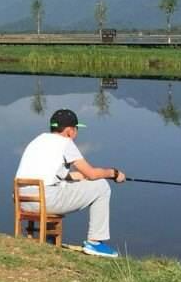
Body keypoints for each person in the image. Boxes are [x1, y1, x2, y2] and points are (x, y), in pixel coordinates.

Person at [15, 108, 125, 258]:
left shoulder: (38, 140)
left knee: (60, 186)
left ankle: (49, 238)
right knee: (101, 186)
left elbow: (55, 175)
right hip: (45, 200)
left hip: (22, 201)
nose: (76, 133)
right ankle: (95, 242)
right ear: (69, 131)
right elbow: (92, 174)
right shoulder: (65, 143)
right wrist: (114, 173)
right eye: (76, 129)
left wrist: (79, 177)